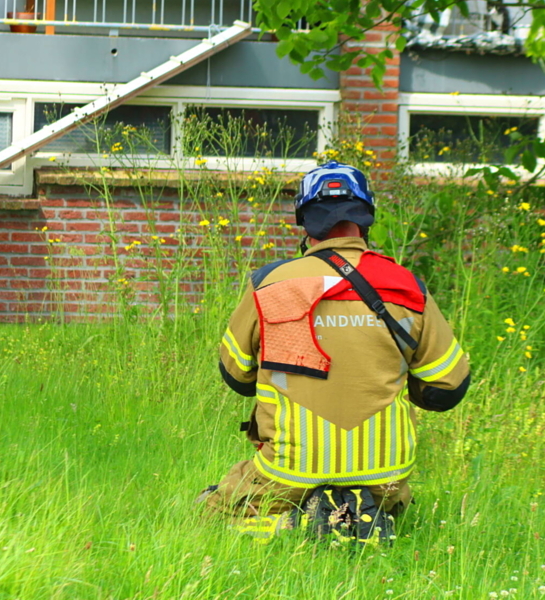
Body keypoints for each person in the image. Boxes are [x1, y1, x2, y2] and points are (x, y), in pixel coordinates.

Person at [199, 161, 470, 541]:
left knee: (212, 509)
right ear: (365, 220)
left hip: (289, 470)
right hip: (384, 474)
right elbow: (447, 389)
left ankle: (291, 524)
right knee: (388, 496)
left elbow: (236, 374)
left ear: (305, 221)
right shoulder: (408, 287)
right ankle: (366, 515)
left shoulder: (268, 284)